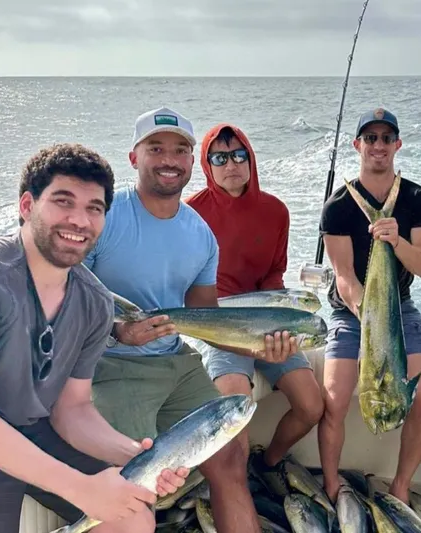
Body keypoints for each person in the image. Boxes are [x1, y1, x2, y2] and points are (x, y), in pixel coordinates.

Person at [0, 143, 188, 533]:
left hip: (33, 427)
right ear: (26, 205)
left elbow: (72, 409)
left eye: (94, 208)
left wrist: (139, 455)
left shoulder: (95, 302)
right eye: (63, 201)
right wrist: (82, 489)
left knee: (134, 519)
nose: (79, 220)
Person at [84, 107, 296, 533]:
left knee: (231, 458)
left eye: (180, 150)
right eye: (155, 148)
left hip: (177, 362)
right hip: (113, 365)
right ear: (133, 157)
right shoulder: (103, 216)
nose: (169, 159)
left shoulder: (200, 234)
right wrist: (118, 331)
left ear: (190, 161)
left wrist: (261, 345)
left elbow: (210, 323)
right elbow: (66, 297)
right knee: (134, 487)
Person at [184, 123, 324, 474]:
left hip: (267, 321)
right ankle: (235, 485)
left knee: (311, 407)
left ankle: (268, 464)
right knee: (234, 417)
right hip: (219, 325)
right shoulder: (189, 214)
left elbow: (273, 276)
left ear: (251, 158)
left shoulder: (276, 211)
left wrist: (276, 332)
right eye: (219, 157)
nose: (231, 164)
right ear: (206, 165)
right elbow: (183, 286)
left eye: (238, 154)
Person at [317, 108, 421, 505]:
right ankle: (333, 483)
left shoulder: (419, 199)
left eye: (387, 138)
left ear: (397, 145)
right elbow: (344, 277)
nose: (379, 145)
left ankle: (400, 486)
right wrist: (368, 318)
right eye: (370, 138)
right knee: (333, 399)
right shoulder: (337, 205)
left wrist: (395, 240)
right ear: (358, 145)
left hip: (399, 308)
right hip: (352, 313)